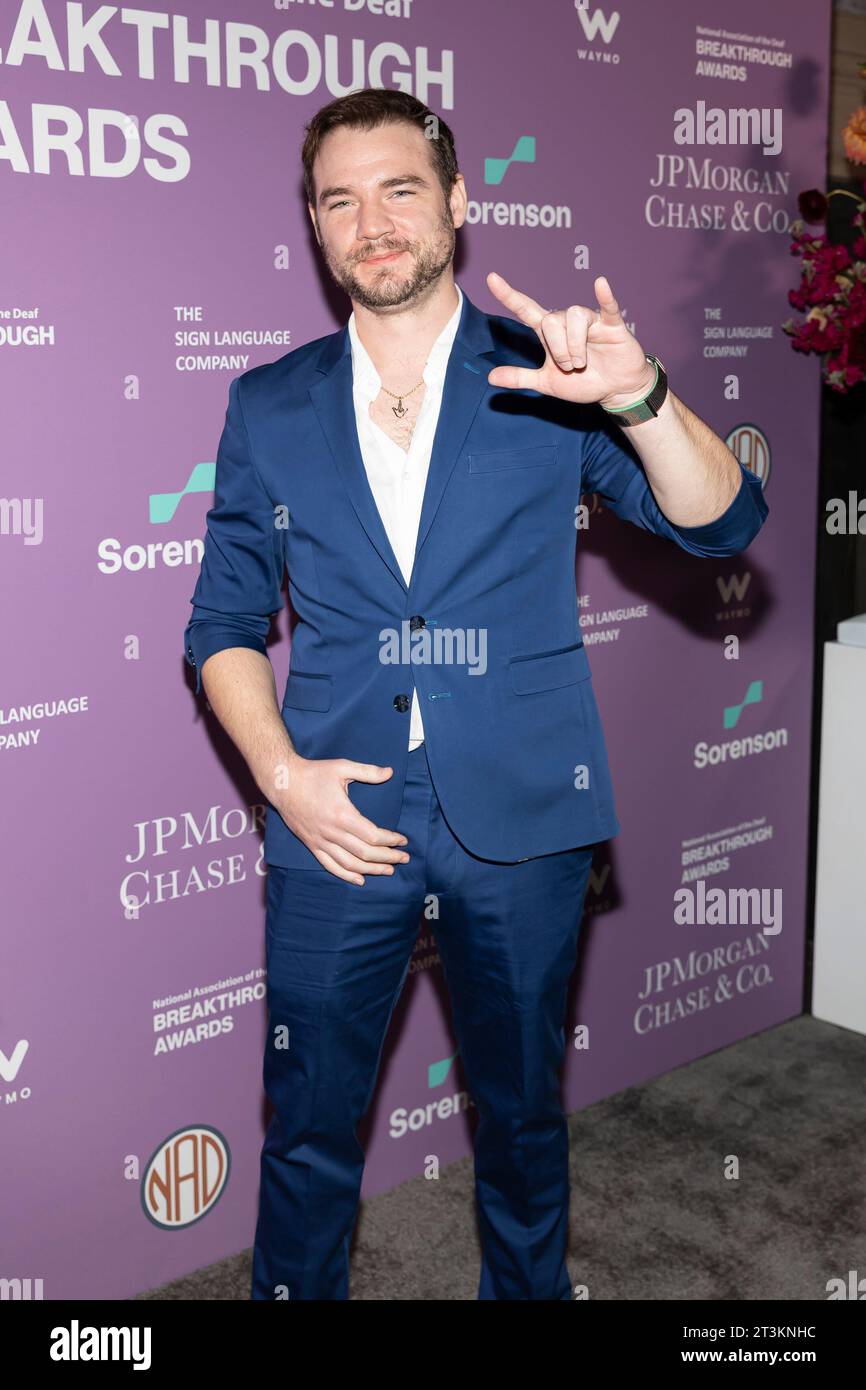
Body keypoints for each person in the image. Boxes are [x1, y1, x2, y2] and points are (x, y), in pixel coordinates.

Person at [183, 88, 768, 1301]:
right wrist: (281, 777)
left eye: (400, 187)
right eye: (340, 199)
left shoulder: (545, 373)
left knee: (517, 1127)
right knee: (304, 1136)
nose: (372, 220)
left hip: (520, 813)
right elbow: (222, 625)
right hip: (333, 816)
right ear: (313, 225)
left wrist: (638, 392)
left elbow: (723, 525)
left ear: (457, 199)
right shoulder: (268, 403)